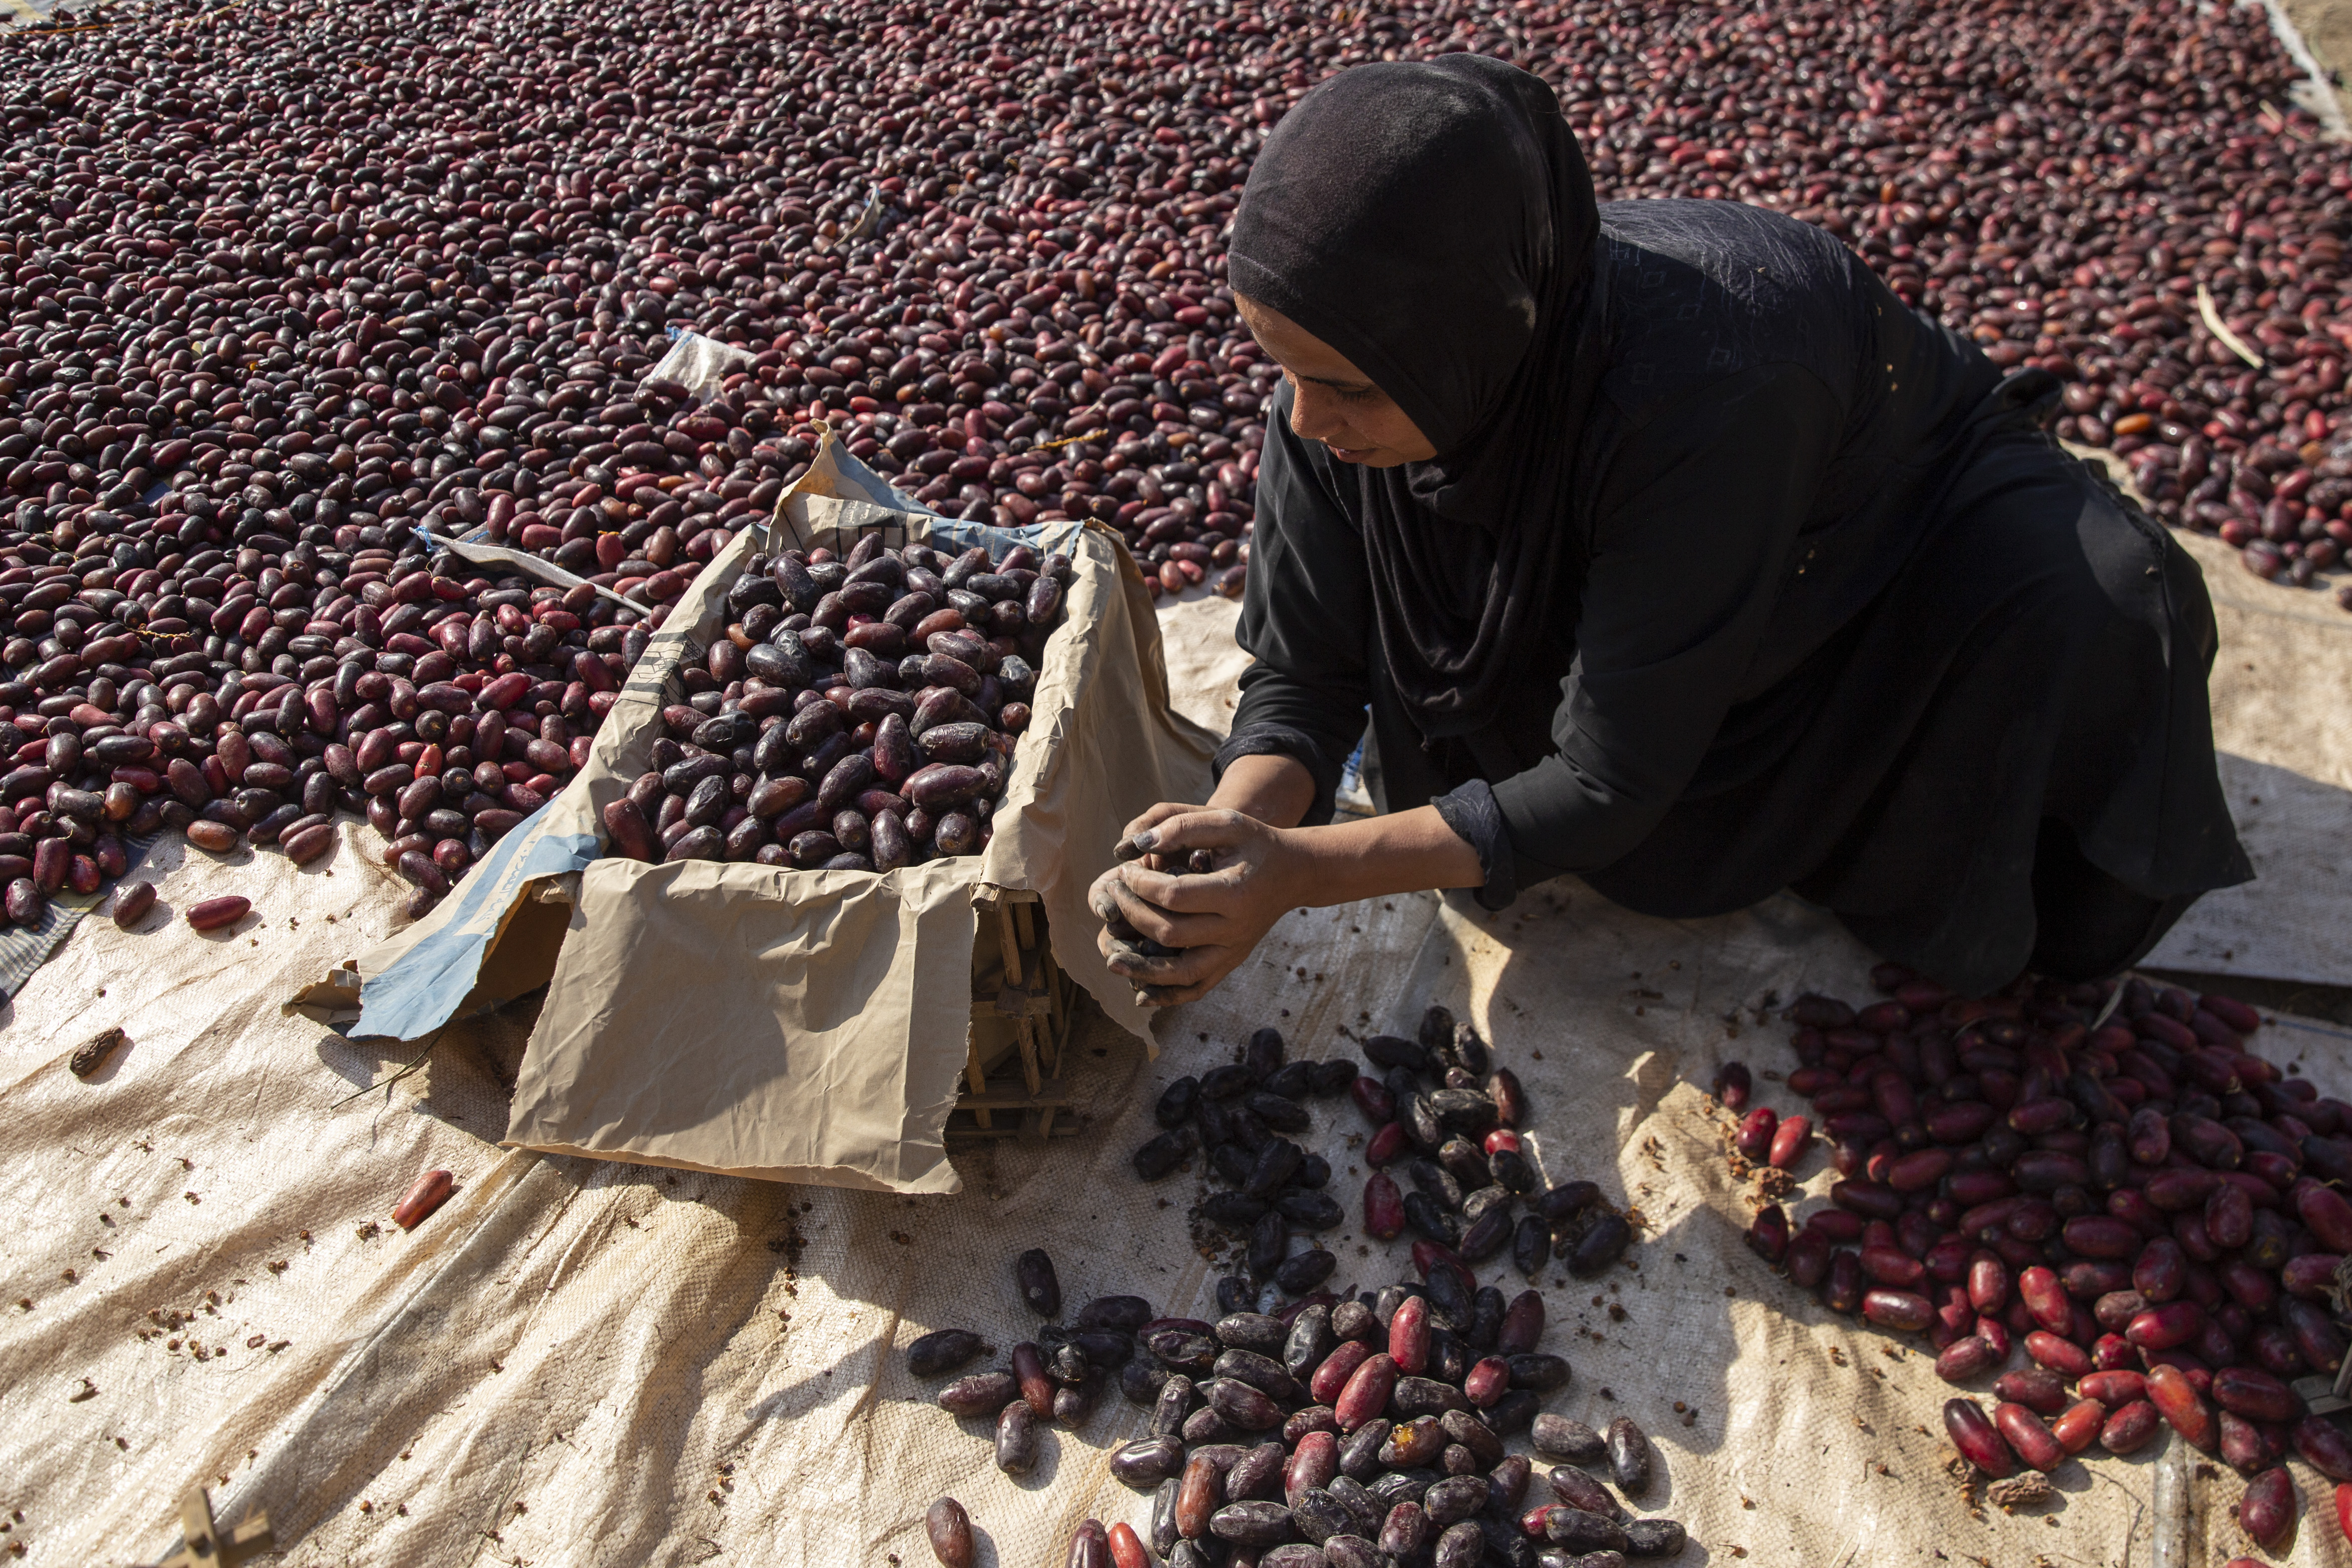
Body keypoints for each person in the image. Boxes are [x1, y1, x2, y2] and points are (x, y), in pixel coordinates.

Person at [1090, 53, 2249, 1006]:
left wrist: (1297, 874)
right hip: (1656, 522)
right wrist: (1226, 839)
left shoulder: (1709, 389)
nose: (1304, 418)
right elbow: (1305, 669)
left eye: (1342, 384)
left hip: (1864, 548)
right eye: (1281, 369)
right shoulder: (1360, 371)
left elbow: (1608, 779)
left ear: (1469, 342)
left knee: (2095, 602)